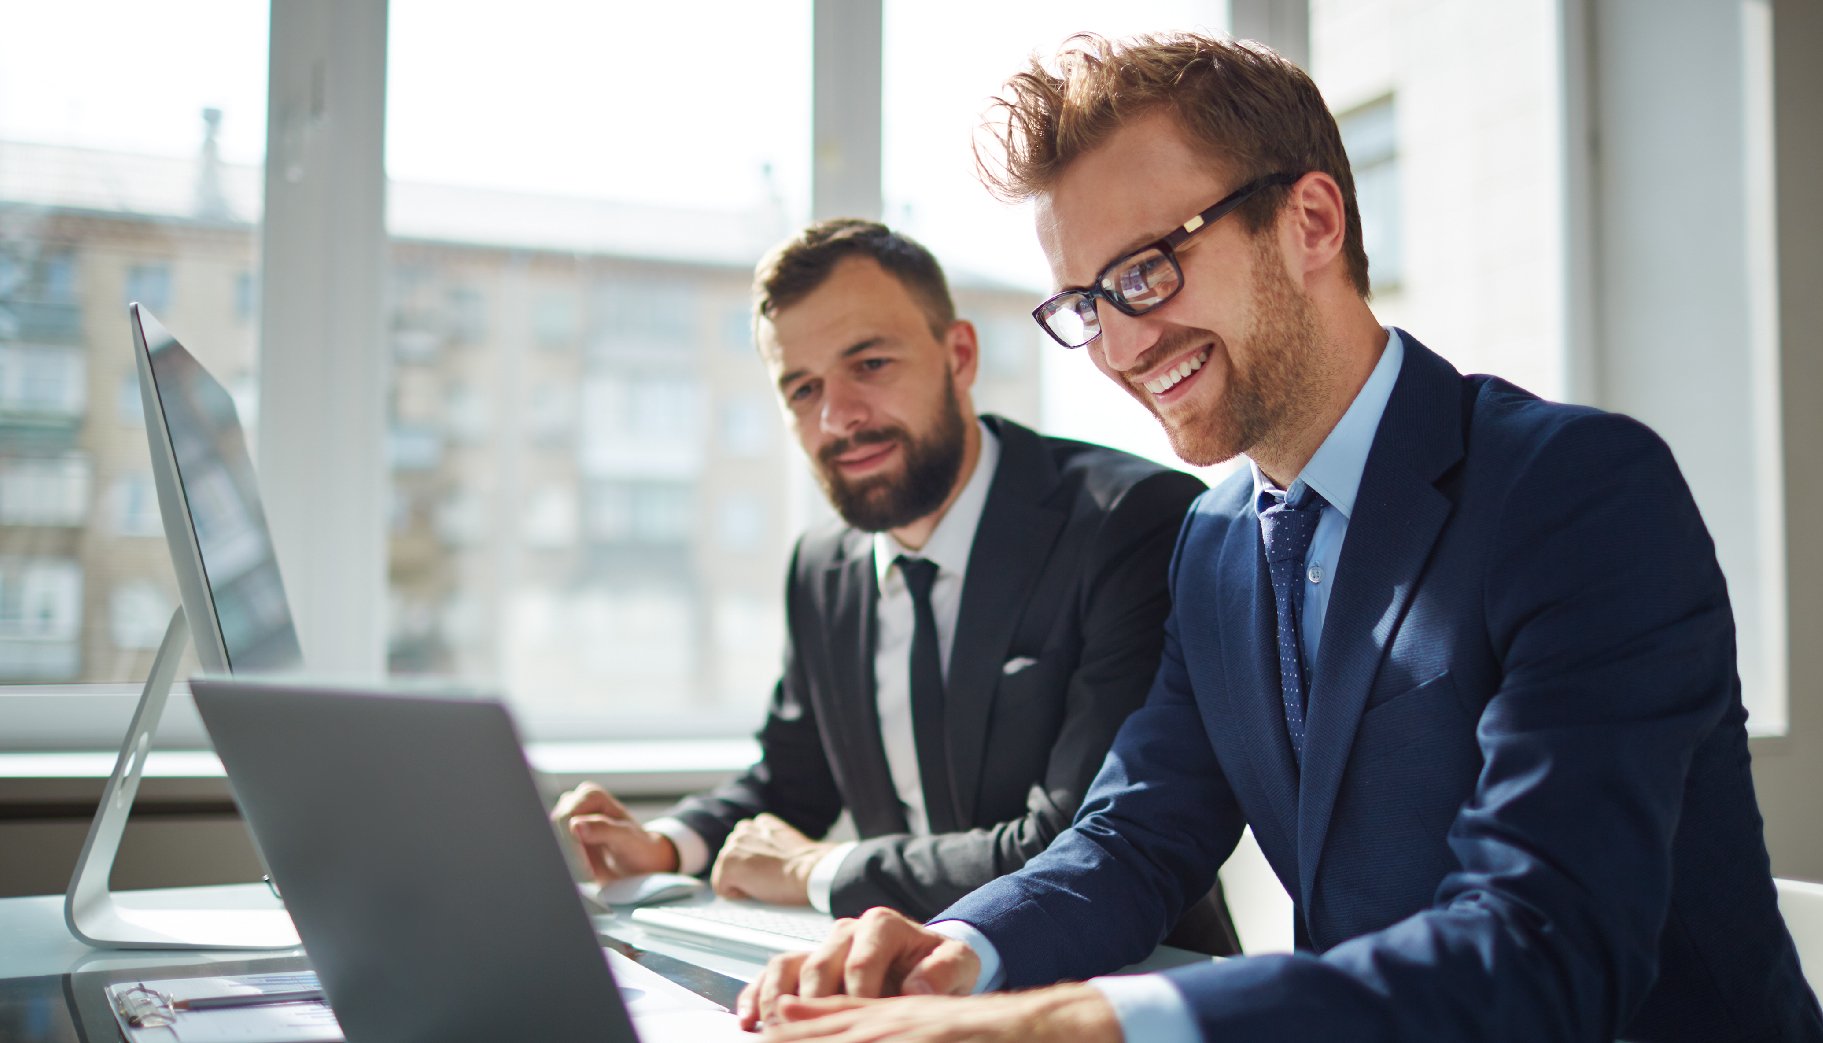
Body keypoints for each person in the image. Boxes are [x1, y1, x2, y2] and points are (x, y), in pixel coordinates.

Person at [737, 33, 1823, 1042]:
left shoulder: (1575, 490)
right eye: (1084, 302)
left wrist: (1080, 1020)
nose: (1118, 344)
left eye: (1145, 270)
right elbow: (1134, 832)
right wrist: (959, 951)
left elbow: (1541, 945)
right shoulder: (1213, 543)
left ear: (1310, 221)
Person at [552, 220, 1235, 952]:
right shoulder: (822, 566)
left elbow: (1074, 843)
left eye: (869, 364)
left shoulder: (1127, 522)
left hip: (1124, 983)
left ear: (959, 356)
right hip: (908, 993)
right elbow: (791, 780)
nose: (836, 417)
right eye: (803, 388)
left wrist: (823, 869)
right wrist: (664, 844)